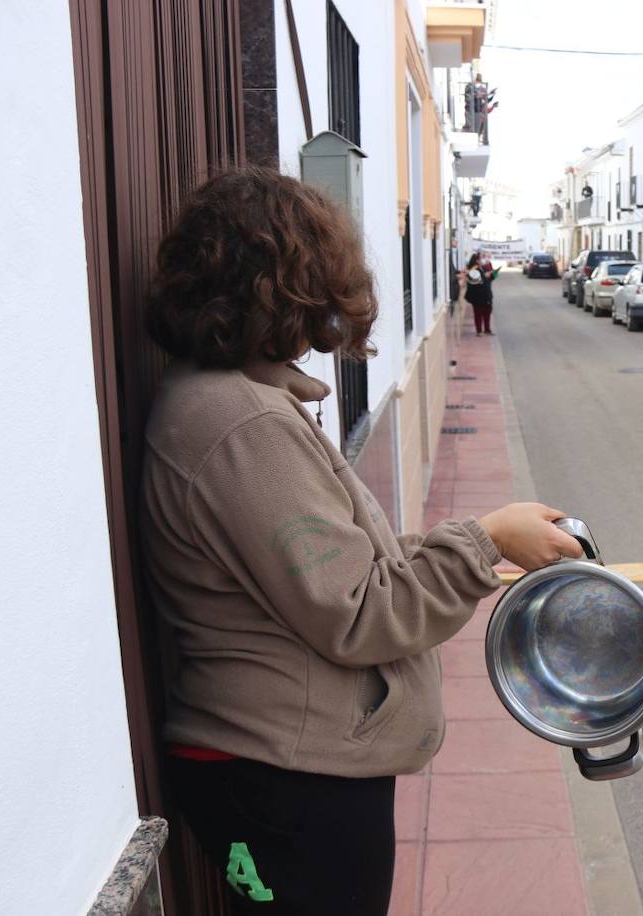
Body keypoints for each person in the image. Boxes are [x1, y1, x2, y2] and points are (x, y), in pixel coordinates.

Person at [141, 168, 584, 915]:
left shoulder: (225, 402)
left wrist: (475, 543)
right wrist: (484, 541)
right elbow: (359, 611)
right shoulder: (243, 423)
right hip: (288, 780)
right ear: (287, 285)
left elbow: (336, 574)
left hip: (279, 768)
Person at [464, 251, 500, 336]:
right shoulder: (473, 269)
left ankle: (487, 329)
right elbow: (475, 282)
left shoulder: (482, 267)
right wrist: (485, 276)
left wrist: (493, 274)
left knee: (487, 312)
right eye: (482, 258)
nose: (483, 259)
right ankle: (479, 331)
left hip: (487, 294)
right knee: (478, 314)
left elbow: (488, 278)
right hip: (478, 296)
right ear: (477, 260)